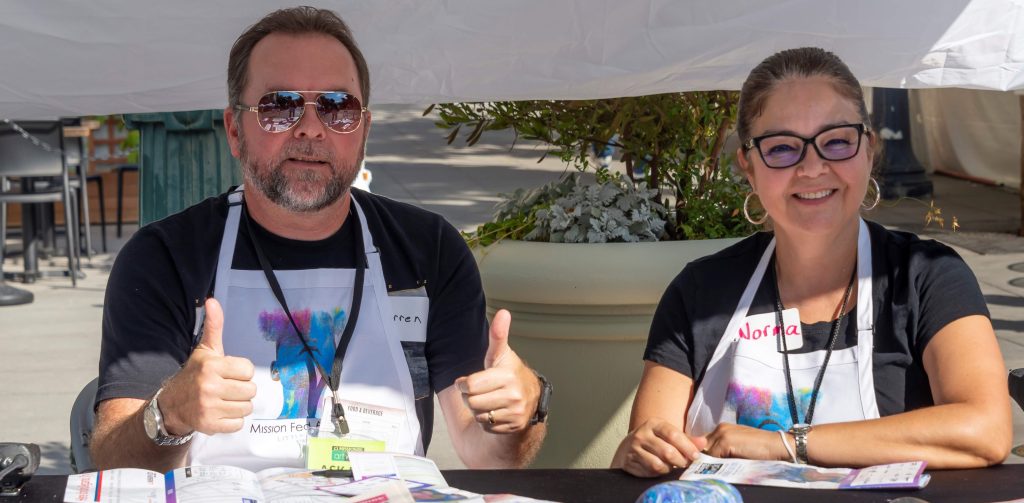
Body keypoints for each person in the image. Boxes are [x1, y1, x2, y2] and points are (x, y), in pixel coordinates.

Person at [90, 6, 549, 472]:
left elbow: (486, 454)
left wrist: (522, 413)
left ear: (364, 130)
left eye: (337, 108)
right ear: (234, 130)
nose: (310, 128)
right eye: (279, 107)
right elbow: (112, 459)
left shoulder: (428, 251)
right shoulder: (165, 258)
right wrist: (168, 415)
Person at [612, 47, 1011, 477]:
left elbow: (985, 429)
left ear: (869, 149)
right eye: (783, 148)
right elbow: (650, 457)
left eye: (836, 141)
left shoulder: (928, 277)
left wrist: (785, 444)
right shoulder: (699, 293)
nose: (812, 167)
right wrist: (639, 452)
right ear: (748, 166)